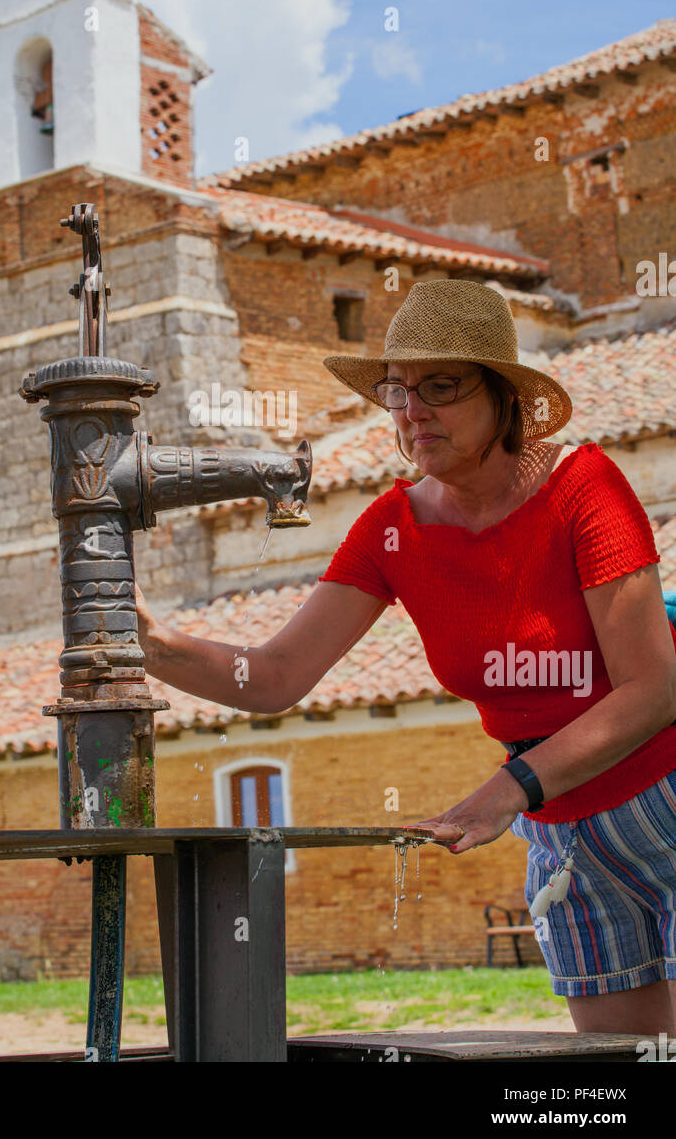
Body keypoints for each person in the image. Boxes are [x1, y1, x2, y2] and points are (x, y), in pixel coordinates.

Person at [135, 278, 676, 1038]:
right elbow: (278, 677)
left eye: (442, 387)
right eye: (398, 390)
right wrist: (152, 645)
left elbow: (654, 690)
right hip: (565, 838)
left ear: (505, 396)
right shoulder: (391, 529)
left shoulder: (585, 488)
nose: (413, 410)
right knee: (626, 1068)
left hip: (664, 797)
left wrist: (509, 788)